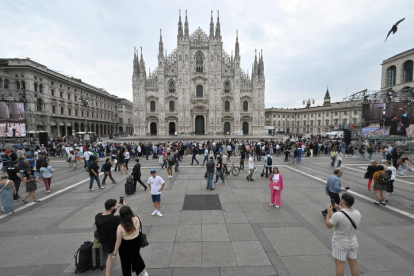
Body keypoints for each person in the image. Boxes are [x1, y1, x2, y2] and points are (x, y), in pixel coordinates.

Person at [325, 193, 361, 276]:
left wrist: (328, 214)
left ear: (343, 201)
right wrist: (339, 209)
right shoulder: (357, 213)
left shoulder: (338, 215)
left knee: (339, 264)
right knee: (353, 265)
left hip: (340, 244)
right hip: (353, 243)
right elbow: (346, 216)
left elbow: (328, 225)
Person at [112, 206, 148, 276]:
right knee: (136, 256)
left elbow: (118, 242)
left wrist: (114, 253)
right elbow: (139, 228)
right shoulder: (138, 218)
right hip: (136, 241)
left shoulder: (120, 227)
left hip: (126, 245)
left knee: (125, 263)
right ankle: (144, 271)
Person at [95, 199, 122, 276]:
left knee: (109, 255)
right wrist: (124, 206)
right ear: (112, 207)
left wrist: (115, 207)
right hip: (113, 241)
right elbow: (125, 217)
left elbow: (108, 214)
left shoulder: (97, 217)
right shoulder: (114, 219)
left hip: (103, 241)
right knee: (111, 256)